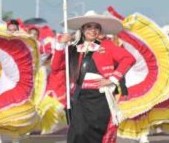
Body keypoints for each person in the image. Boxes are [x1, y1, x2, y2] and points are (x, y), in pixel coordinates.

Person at [52, 11, 135, 143]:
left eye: (96, 27)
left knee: (98, 133)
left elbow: (129, 59)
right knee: (78, 134)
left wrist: (112, 79)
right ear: (83, 29)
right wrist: (60, 45)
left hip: (99, 98)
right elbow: (56, 67)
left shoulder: (107, 45)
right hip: (79, 98)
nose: (93, 30)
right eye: (89, 27)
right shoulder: (73, 48)